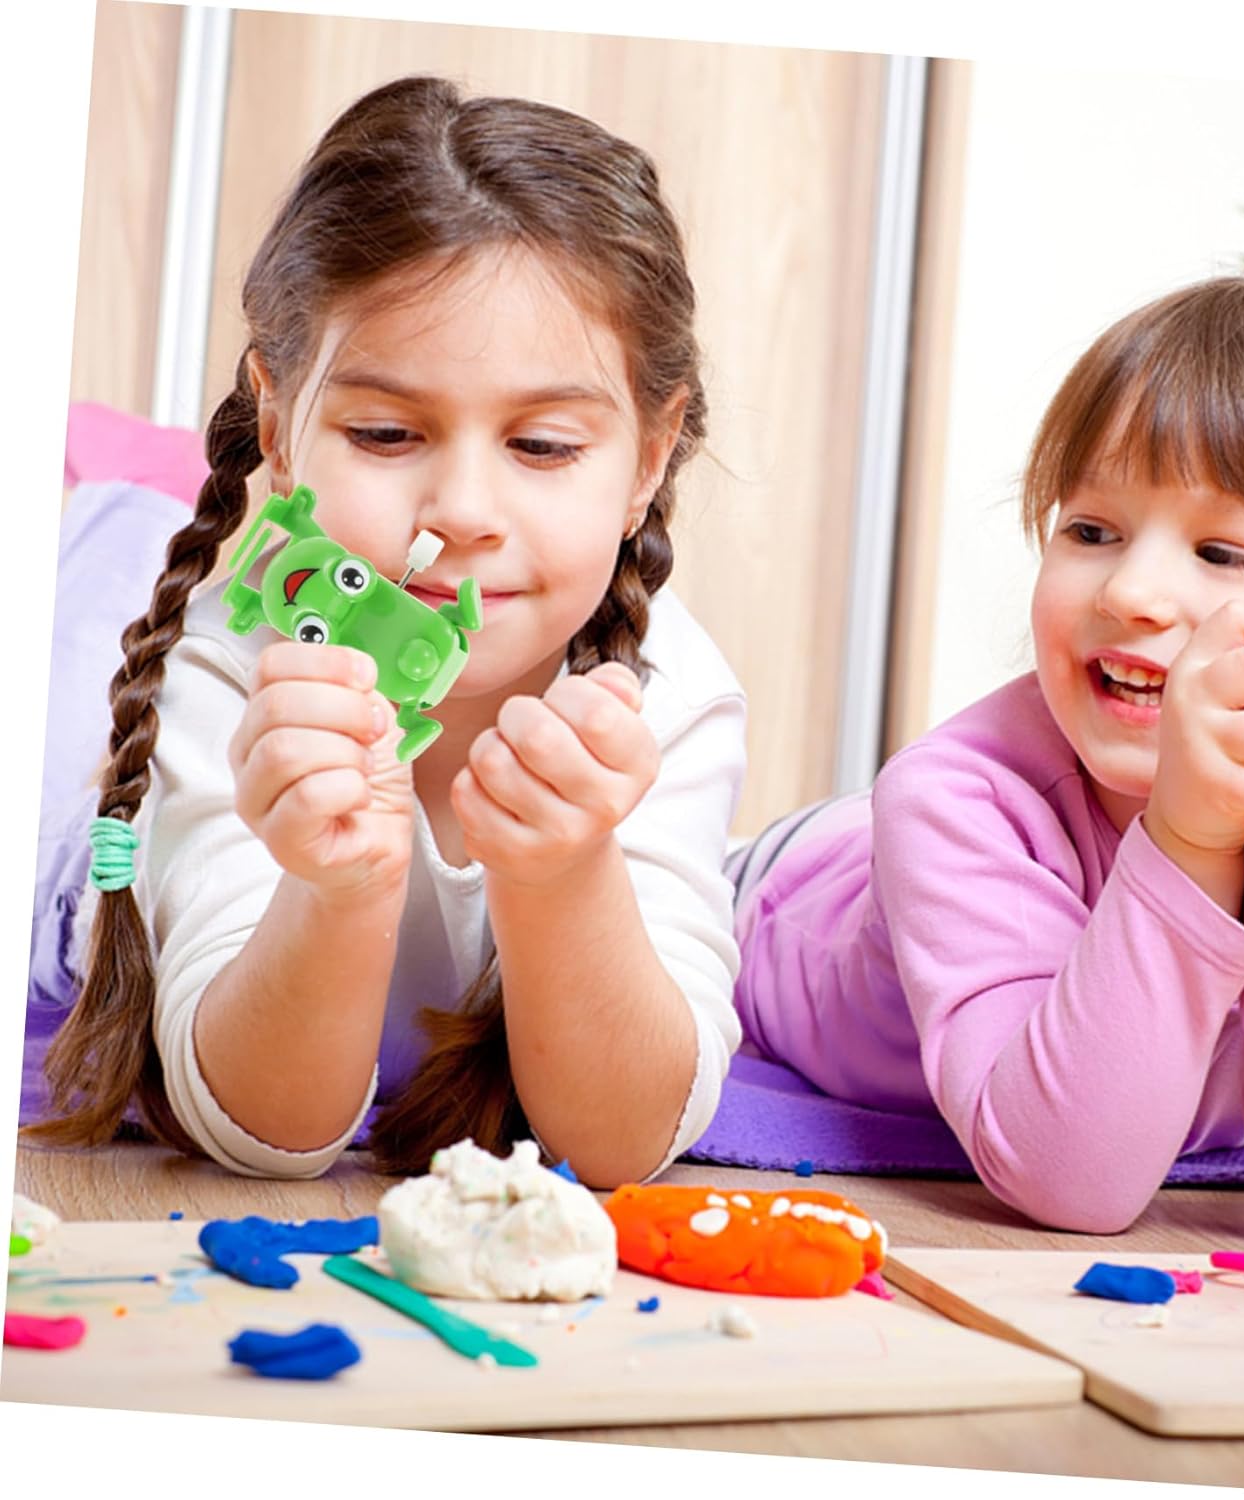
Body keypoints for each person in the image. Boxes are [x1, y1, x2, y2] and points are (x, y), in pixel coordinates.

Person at [25, 76, 746, 1186]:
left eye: (542, 446)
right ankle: (110, 512)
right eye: (385, 433)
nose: (460, 512)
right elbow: (264, 1129)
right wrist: (339, 891)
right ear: (279, 423)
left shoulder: (665, 695)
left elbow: (622, 1144)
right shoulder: (229, 666)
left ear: (651, 457)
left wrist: (565, 874)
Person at [731, 275, 1244, 1247]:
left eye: (1222, 552)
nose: (1129, 591)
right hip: (787, 888)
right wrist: (1191, 843)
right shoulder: (957, 797)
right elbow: (1066, 1177)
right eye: (1091, 531)